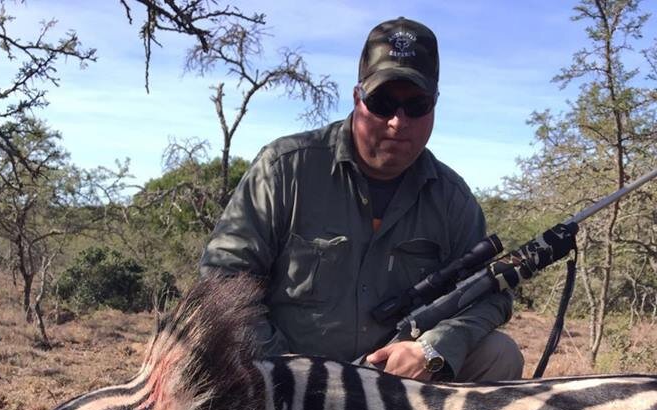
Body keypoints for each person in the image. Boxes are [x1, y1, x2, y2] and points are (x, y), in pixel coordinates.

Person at [200, 17, 523, 382]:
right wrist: (285, 370)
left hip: (396, 386)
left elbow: (491, 294)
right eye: (383, 103)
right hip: (284, 379)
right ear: (358, 98)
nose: (398, 123)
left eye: (416, 105)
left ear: (435, 105)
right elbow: (223, 277)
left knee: (499, 354)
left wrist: (433, 348)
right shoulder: (284, 168)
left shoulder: (452, 197)